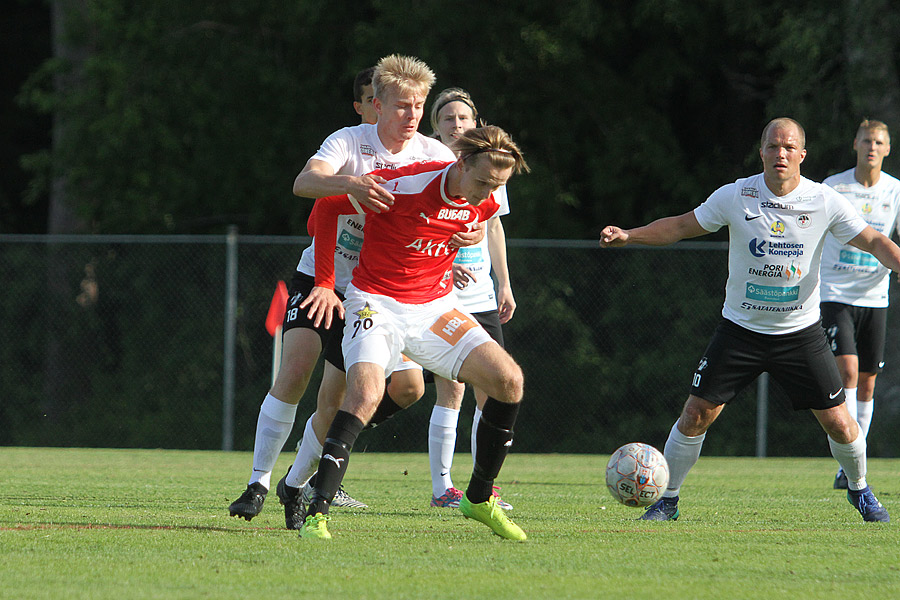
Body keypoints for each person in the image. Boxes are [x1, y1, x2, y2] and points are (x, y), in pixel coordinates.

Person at [600, 117, 897, 523]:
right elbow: (683, 225)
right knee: (695, 414)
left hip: (800, 334)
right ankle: (667, 500)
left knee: (841, 424)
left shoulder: (824, 199)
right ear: (761, 152)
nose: (781, 154)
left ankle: (860, 491)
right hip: (741, 331)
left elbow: (875, 240)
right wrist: (630, 235)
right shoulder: (737, 195)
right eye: (773, 146)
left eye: (789, 147)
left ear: (802, 155)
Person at [228, 56, 465, 528]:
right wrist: (349, 182)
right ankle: (256, 482)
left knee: (404, 388)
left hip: (378, 294)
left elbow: (463, 211)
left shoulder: (435, 157)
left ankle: (301, 477)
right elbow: (304, 184)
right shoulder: (349, 142)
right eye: (401, 105)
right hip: (322, 281)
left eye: (418, 106)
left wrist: (464, 242)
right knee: (295, 371)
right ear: (376, 105)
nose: (413, 115)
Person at [296, 126, 531, 540]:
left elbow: (475, 219)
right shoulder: (402, 186)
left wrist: (473, 232)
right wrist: (324, 280)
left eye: (498, 185)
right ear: (460, 164)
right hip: (375, 301)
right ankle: (317, 512)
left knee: (509, 382)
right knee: (366, 394)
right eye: (482, 182)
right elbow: (328, 210)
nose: (488, 194)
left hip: (435, 307)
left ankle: (477, 499)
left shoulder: (484, 197)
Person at [425, 88, 516, 510]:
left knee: (493, 391)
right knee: (452, 392)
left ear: (475, 121)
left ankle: (484, 484)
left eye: (463, 117)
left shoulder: (492, 166)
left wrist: (504, 283)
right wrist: (443, 267)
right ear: (435, 126)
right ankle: (443, 487)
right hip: (437, 295)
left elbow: (494, 228)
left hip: (480, 293)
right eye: (447, 118)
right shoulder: (426, 166)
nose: (456, 125)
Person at [819, 119, 900, 489]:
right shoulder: (834, 187)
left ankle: (852, 460)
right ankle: (851, 457)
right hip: (835, 292)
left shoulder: (895, 190)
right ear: (855, 144)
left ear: (887, 148)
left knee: (867, 383)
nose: (871, 146)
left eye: (878, 142)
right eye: (866, 140)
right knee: (848, 372)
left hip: (875, 297)